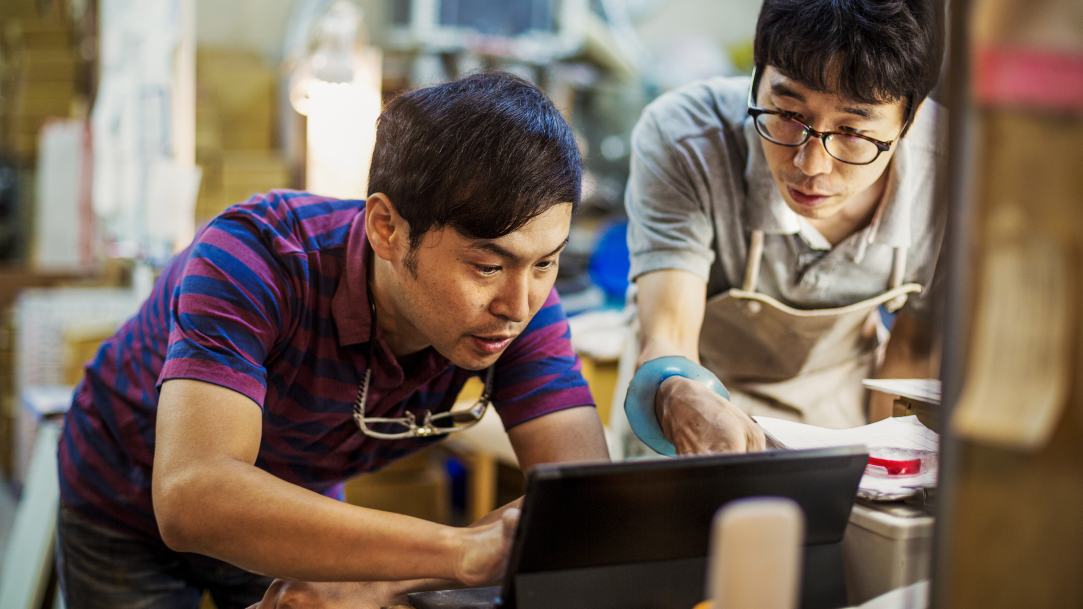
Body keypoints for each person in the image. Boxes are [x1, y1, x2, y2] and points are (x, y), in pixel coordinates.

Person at [56, 72, 609, 609]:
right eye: (487, 265)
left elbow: (585, 499)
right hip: (126, 496)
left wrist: (378, 583)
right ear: (387, 228)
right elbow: (192, 494)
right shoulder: (255, 258)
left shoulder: (524, 301)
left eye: (547, 262)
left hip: (289, 499)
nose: (517, 306)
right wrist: (458, 552)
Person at [624, 0, 946, 455]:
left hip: (840, 424)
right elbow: (668, 335)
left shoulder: (953, 178)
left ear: (909, 121)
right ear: (757, 77)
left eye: (852, 132)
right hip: (690, 418)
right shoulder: (687, 139)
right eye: (789, 114)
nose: (809, 164)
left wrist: (888, 472)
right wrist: (679, 395)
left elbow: (912, 355)